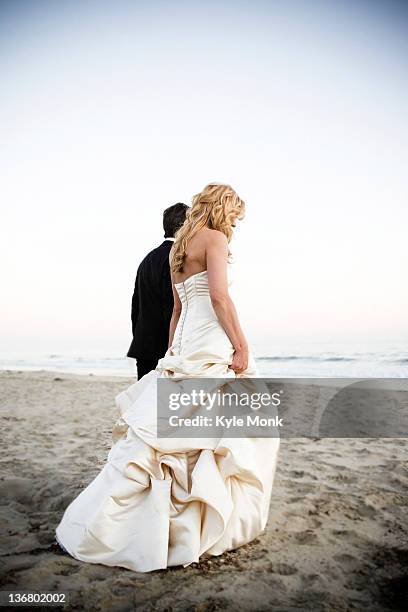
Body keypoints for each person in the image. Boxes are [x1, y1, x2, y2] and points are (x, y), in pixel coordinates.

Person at [55, 183, 280, 572]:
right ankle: (212, 518)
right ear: (224, 209)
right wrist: (240, 345)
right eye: (235, 216)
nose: (234, 224)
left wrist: (173, 351)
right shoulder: (214, 240)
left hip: (187, 341)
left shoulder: (180, 246)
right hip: (211, 340)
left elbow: (177, 309)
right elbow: (220, 298)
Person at [127, 202, 189, 379]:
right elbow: (175, 305)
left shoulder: (147, 260)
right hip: (168, 348)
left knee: (145, 403)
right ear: (185, 225)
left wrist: (140, 336)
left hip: (144, 346)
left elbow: (135, 307)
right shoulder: (179, 258)